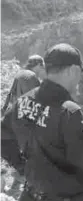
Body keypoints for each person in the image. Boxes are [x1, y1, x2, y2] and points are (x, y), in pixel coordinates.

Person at [1, 43, 83, 201]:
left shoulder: (24, 100)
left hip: (30, 193)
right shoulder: (70, 112)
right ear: (73, 70)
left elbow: (3, 137)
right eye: (79, 73)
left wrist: (24, 168)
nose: (78, 80)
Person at [1, 55, 45, 197]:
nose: (43, 69)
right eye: (42, 66)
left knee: (18, 159)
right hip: (20, 124)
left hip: (12, 120)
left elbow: (10, 96)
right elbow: (36, 99)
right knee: (26, 160)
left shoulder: (20, 73)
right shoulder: (30, 76)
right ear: (38, 64)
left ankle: (15, 187)